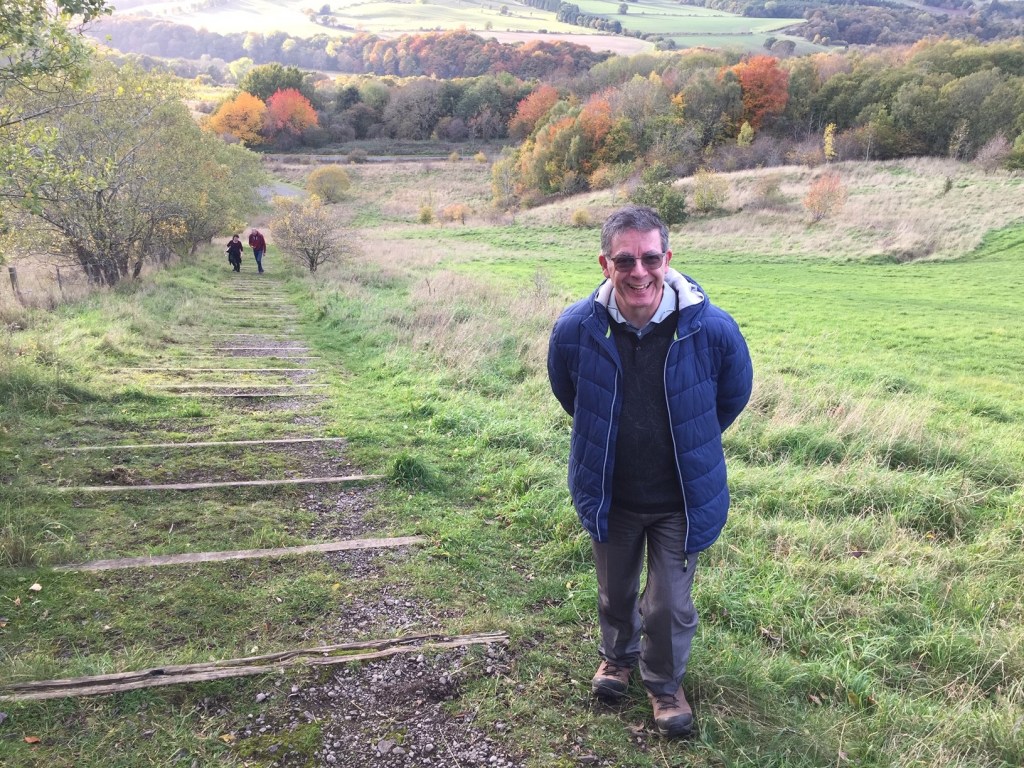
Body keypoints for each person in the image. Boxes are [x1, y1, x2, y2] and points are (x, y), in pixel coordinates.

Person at [547, 205, 753, 738]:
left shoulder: (711, 329)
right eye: (625, 260)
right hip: (611, 493)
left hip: (680, 498)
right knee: (615, 592)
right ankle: (617, 658)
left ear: (668, 258)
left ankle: (664, 684)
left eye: (650, 258)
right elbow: (572, 396)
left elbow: (732, 395)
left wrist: (688, 439)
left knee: (669, 605)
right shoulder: (575, 330)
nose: (639, 271)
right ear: (604, 264)